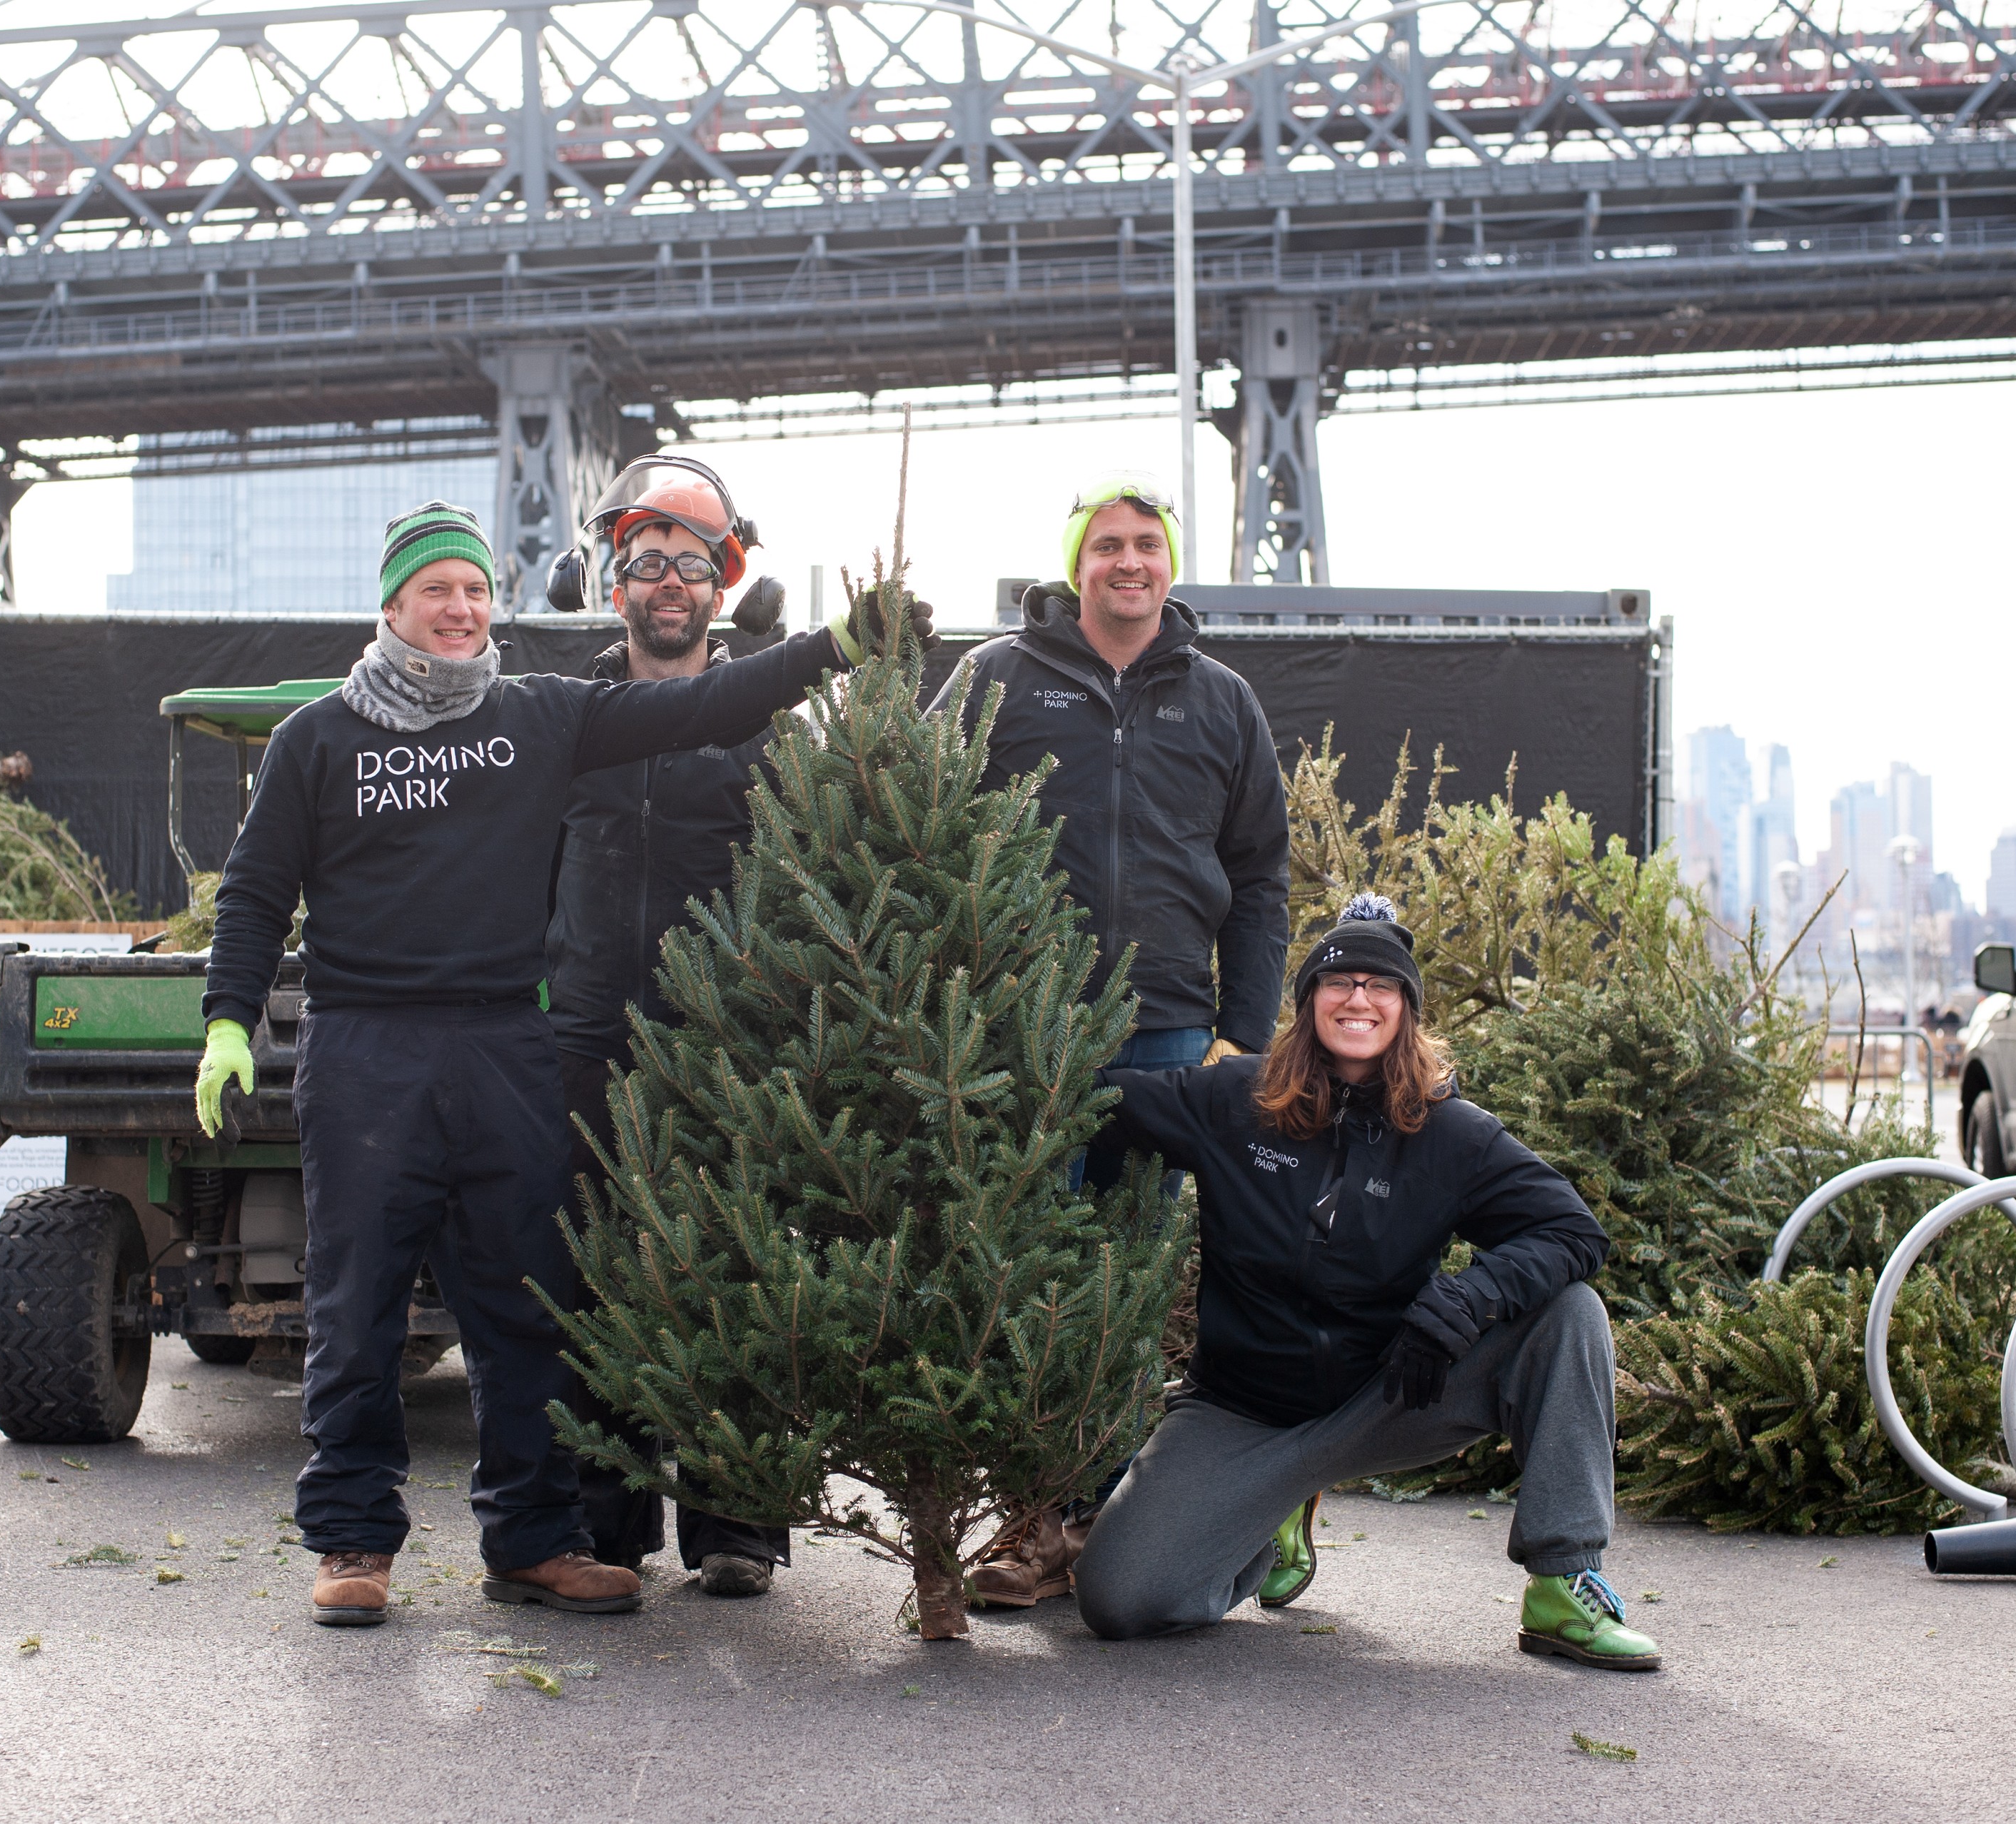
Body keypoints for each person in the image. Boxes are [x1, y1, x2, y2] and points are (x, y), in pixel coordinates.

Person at [193, 500, 926, 1628]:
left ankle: (532, 1540)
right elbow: (252, 893)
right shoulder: (319, 740)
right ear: (392, 604)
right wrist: (228, 1020)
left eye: (477, 589)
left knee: (522, 1303)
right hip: (366, 1047)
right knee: (356, 1303)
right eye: (437, 589)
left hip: (502, 1043)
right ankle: (352, 1538)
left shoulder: (538, 716)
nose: (460, 608)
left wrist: (836, 643)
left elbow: (706, 701)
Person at [1069, 894, 1660, 1669]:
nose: (1358, 997)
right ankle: (1266, 1516)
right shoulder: (1233, 1100)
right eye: (1338, 979)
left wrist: (1465, 1294)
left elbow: (1575, 1234)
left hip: (1390, 1393)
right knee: (1118, 1599)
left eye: (1380, 984)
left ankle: (1564, 1582)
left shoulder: (1455, 1134)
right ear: (1311, 997)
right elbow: (1093, 1095)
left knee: (1569, 1313)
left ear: (1406, 1009)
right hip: (1240, 1411)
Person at [930, 470, 1290, 1606]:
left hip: (1176, 1040)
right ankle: (1043, 1522)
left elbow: (1261, 876)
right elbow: (914, 824)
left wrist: (1243, 1032)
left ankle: (1154, 1518)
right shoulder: (996, 678)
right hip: (1022, 1041)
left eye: (1146, 544)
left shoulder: (1223, 698)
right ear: (1075, 563)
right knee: (1031, 1278)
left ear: (1168, 564)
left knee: (1142, 1285)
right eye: (1107, 545)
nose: (1127, 562)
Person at [546, 458, 798, 1598]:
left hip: (725, 1046)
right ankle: (606, 1519)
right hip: (584, 1038)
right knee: (593, 1270)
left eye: (689, 565)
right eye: (645, 562)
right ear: (615, 584)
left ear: (723, 583)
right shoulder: (560, 716)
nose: (666, 583)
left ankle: (738, 1523)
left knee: (735, 1267)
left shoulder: (771, 729)